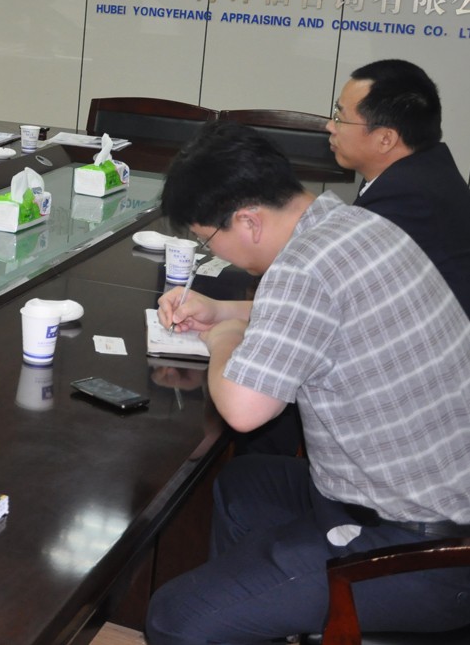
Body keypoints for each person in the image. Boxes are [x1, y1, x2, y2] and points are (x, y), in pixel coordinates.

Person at [144, 122, 470, 645]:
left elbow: (243, 409)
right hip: (426, 503)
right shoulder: (354, 224)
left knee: (174, 618)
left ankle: (234, 615)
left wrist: (223, 336)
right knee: (244, 486)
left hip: (421, 552)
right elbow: (321, 312)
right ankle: (254, 617)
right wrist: (223, 309)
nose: (214, 251)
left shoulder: (302, 267)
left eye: (208, 239)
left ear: (247, 221)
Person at [328, 58, 470, 314]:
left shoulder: (405, 198)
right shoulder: (422, 167)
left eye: (340, 118)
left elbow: (340, 284)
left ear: (386, 139)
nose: (330, 126)